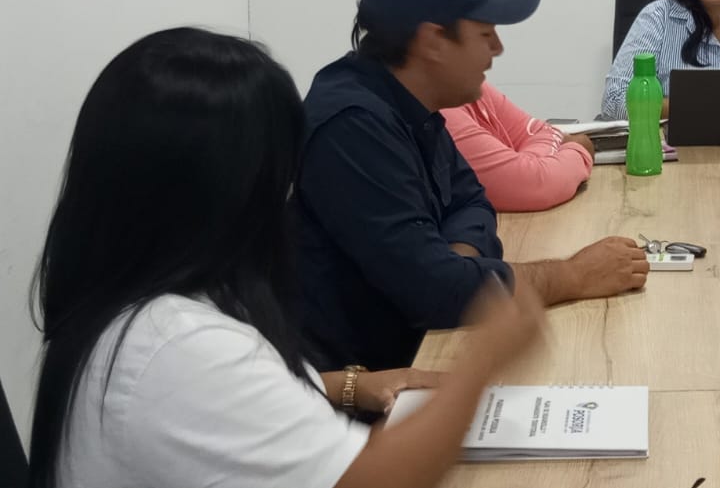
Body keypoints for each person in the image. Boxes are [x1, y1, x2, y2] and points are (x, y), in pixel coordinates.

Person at [27, 27, 548, 488]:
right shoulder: (176, 346)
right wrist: (485, 361)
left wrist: (349, 385)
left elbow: (238, 397)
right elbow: (374, 481)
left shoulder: (139, 307)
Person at [294, 0, 647, 372]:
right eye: (485, 33)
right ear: (433, 41)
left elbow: (471, 201)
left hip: (423, 344)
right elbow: (433, 293)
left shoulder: (409, 100)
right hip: (369, 379)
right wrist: (573, 276)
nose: (497, 48)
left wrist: (458, 270)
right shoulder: (353, 125)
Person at [443, 81, 595, 212]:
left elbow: (541, 131)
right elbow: (535, 186)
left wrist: (532, 163)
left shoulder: (469, 83)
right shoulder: (442, 110)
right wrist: (577, 149)